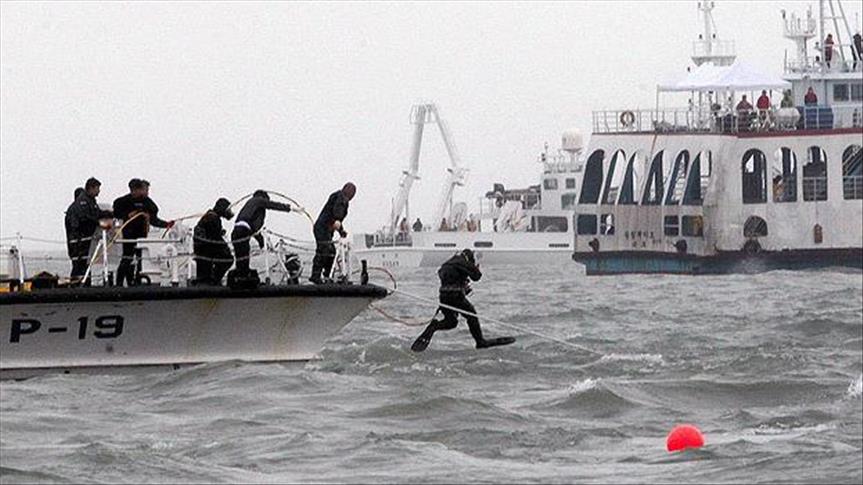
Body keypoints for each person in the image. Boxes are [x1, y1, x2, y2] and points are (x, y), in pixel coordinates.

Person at [411, 249, 514, 352]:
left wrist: (462, 283)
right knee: (472, 316)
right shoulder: (463, 261)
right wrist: (475, 269)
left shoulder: (447, 263)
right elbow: (477, 277)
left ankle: (434, 326)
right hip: (455, 296)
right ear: (469, 258)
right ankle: (480, 342)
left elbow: (447, 277)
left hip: (444, 297)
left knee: (451, 322)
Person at [112, 179, 173, 286]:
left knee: (141, 259)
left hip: (141, 236)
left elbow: (154, 219)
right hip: (129, 235)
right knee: (127, 258)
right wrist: (127, 215)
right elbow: (116, 213)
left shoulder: (148, 203)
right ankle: (119, 283)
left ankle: (137, 281)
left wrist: (166, 224)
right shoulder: (123, 202)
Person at [231, 190, 291, 277]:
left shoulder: (249, 206)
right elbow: (272, 205)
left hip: (236, 232)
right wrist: (288, 208)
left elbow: (253, 230)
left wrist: (261, 243)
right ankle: (243, 278)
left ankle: (241, 278)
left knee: (241, 259)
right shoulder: (258, 200)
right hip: (243, 232)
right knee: (243, 258)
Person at [65, 177, 112, 285]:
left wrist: (110, 214)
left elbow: (97, 213)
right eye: (97, 188)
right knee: (79, 264)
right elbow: (85, 218)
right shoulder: (82, 202)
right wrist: (99, 223)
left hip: (86, 239)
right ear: (91, 188)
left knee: (85, 263)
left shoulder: (91, 202)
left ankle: (84, 282)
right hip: (79, 240)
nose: (99, 191)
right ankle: (76, 284)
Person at [310, 182, 355, 284]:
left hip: (328, 229)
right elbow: (336, 212)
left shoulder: (344, 201)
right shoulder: (339, 197)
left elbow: (337, 218)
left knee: (332, 252)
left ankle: (327, 275)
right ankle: (315, 275)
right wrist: (338, 222)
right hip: (322, 227)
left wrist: (341, 230)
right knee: (324, 249)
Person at [193, 198, 234, 285]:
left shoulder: (210, 216)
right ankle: (215, 280)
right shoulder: (213, 218)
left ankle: (212, 279)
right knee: (228, 259)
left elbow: (212, 234)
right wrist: (226, 248)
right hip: (206, 249)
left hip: (202, 248)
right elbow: (215, 239)